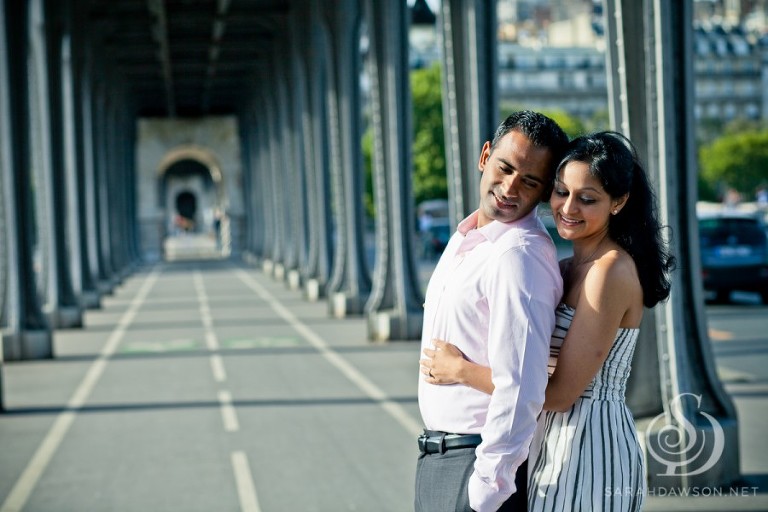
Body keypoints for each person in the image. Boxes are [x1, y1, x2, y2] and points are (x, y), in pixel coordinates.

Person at [422, 131, 676, 511]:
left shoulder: (609, 272)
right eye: (561, 192)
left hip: (588, 445)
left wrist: (461, 370)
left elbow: (560, 393)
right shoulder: (568, 268)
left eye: (587, 199)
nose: (568, 208)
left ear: (618, 202)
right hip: (549, 444)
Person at [415, 111, 569, 512]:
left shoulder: (518, 256)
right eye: (505, 168)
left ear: (542, 191)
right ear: (485, 156)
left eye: (530, 181)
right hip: (441, 458)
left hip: (476, 464)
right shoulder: (468, 238)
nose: (510, 187)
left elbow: (521, 387)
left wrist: (485, 492)